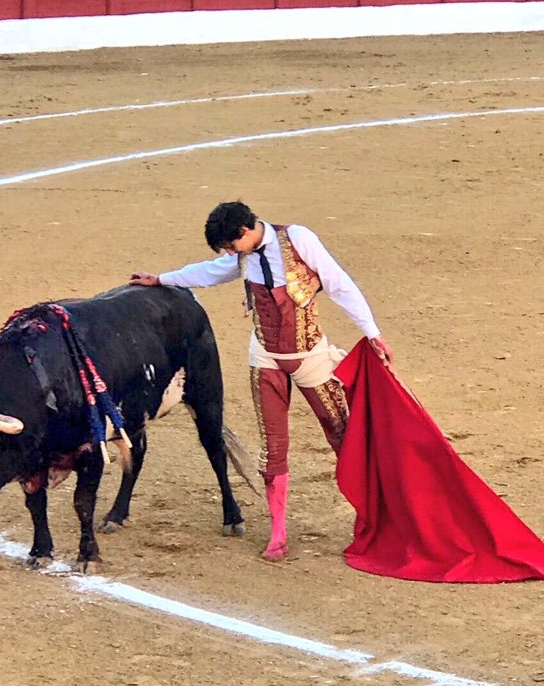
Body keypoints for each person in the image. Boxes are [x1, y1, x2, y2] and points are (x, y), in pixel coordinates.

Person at [130, 201, 392, 562]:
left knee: (342, 435)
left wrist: (372, 333)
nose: (229, 253)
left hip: (310, 356)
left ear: (244, 231)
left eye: (230, 245)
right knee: (273, 447)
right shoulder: (242, 255)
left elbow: (338, 284)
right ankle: (278, 533)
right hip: (265, 356)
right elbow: (209, 272)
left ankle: (371, 519)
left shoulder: (299, 239)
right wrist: (161, 279)